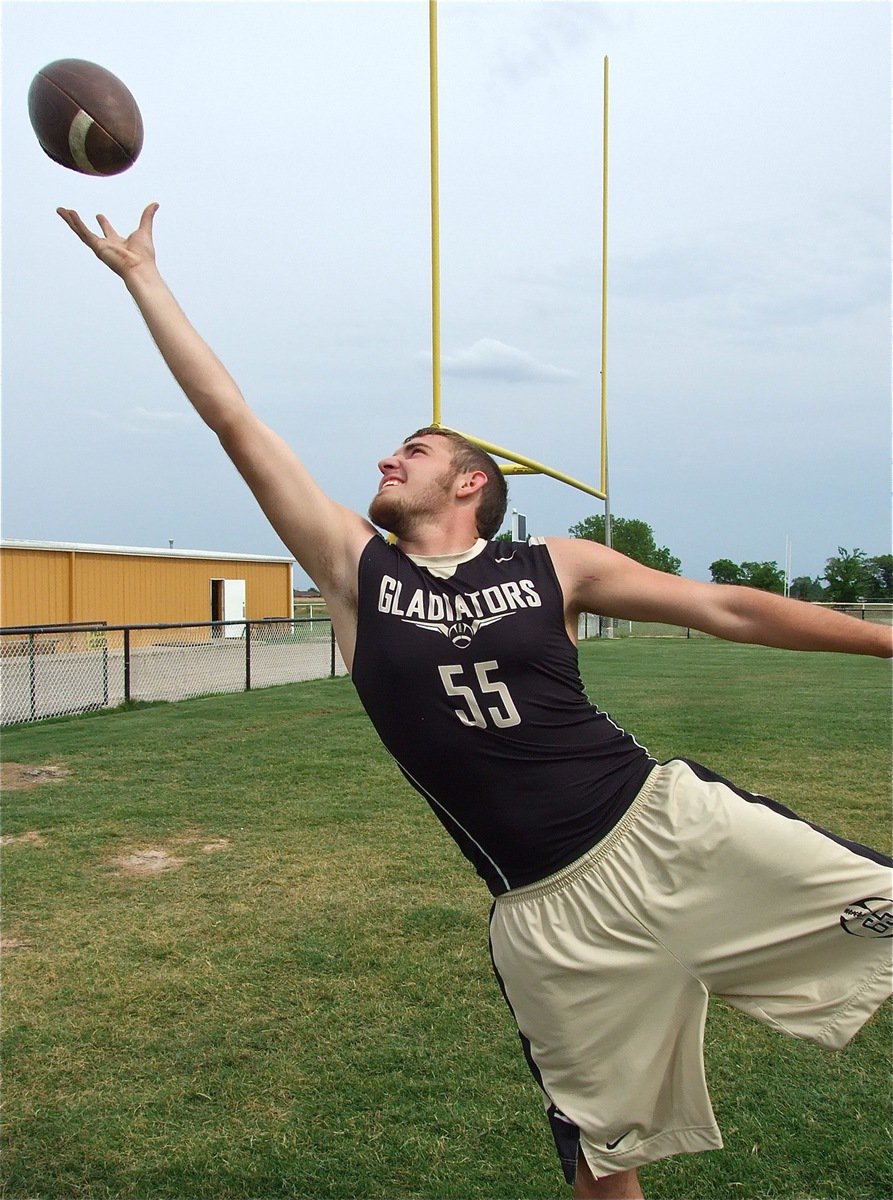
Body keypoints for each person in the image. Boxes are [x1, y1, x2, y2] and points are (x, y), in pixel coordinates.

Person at [57, 202, 892, 1200]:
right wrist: (143, 275)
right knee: (599, 1164)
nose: (382, 461)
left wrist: (884, 640)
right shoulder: (353, 571)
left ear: (469, 480)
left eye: (410, 451)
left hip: (665, 829)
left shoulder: (554, 563)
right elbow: (233, 418)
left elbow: (723, 607)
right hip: (545, 916)